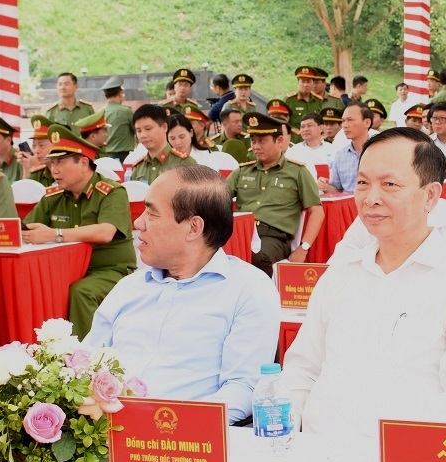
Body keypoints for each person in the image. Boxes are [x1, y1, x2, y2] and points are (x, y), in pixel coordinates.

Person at [278, 127, 446, 432]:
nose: (371, 198)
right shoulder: (339, 275)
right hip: (315, 450)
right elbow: (302, 371)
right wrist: (286, 432)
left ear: (430, 195)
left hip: (408, 455)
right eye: (362, 183)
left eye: (390, 184)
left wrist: (399, 452)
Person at [82, 164, 275, 417]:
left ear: (193, 228)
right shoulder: (129, 287)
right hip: (103, 430)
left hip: (183, 435)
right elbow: (85, 361)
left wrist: (173, 427)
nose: (138, 223)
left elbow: (244, 388)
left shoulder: (247, 289)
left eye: (152, 213)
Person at [22, 122, 135, 336]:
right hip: (65, 271)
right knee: (36, 289)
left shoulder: (111, 192)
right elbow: (27, 228)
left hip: (109, 271)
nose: (54, 170)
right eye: (52, 163)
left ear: (83, 163)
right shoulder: (53, 197)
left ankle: (87, 353)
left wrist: (55, 234)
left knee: (81, 292)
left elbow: (105, 232)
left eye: (60, 163)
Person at [230, 113, 323, 268]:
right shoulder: (242, 171)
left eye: (262, 141)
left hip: (273, 237)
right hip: (241, 233)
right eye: (253, 141)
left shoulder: (297, 172)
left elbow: (317, 212)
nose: (256, 147)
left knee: (258, 257)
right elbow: (218, 196)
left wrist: (303, 248)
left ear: (279, 141)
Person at [124, 103, 178, 189]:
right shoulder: (138, 167)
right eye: (139, 131)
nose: (143, 135)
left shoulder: (184, 163)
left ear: (164, 127)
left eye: (148, 129)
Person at [324, 99, 374, 192]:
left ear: (367, 122)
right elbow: (336, 188)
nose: (345, 125)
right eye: (343, 121)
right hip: (347, 201)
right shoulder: (340, 155)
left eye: (350, 120)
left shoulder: (380, 152)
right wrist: (325, 187)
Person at [97, 84, 136, 156]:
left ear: (106, 96)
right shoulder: (126, 111)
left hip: (104, 155)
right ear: (120, 94)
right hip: (124, 156)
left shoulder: (99, 112)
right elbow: (136, 129)